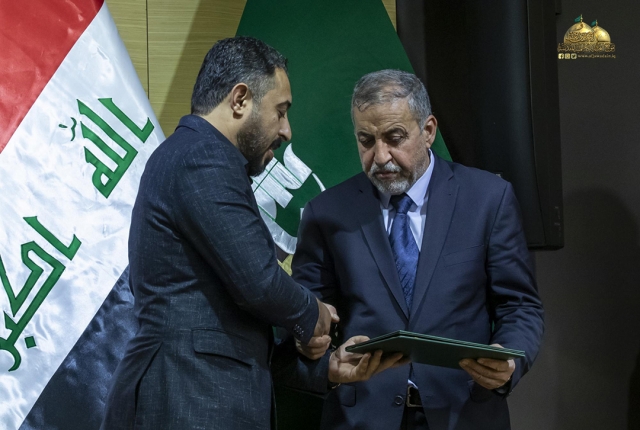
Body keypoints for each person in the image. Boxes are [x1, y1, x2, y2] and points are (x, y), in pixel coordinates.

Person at [101, 37, 396, 430]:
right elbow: (259, 281)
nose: (287, 130)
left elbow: (231, 331)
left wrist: (327, 366)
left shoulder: (197, 156)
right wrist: (313, 314)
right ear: (240, 100)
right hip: (184, 399)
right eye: (281, 111)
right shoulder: (202, 157)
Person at [288, 69, 545, 430]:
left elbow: (519, 305)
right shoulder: (326, 212)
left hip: (463, 414)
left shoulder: (488, 199)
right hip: (361, 418)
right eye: (366, 140)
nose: (380, 156)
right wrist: (319, 353)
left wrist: (509, 359)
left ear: (428, 131)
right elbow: (303, 316)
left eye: (394, 138)